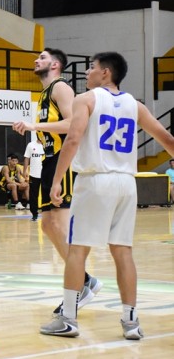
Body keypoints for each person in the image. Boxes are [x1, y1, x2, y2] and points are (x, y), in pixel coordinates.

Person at [40, 52, 174, 340]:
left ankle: (68, 319)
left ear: (106, 73)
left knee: (78, 250)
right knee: (123, 252)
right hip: (126, 183)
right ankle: (131, 322)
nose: (86, 72)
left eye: (92, 67)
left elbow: (73, 139)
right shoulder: (135, 105)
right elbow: (168, 140)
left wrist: (58, 179)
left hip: (95, 180)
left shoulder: (86, 99)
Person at [12, 48, 101, 312]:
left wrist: (34, 127)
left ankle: (78, 288)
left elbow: (74, 124)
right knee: (48, 225)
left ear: (56, 65)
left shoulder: (61, 88)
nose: (36, 60)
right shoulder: (44, 94)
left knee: (60, 225)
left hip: (66, 160)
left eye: (42, 57)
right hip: (50, 160)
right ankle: (85, 279)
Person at [23, 135, 45, 221]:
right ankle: (34, 214)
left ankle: (47, 212)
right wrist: (25, 171)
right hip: (34, 174)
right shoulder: (31, 145)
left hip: (45, 174)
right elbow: (27, 158)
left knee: (46, 194)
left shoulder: (48, 145)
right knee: (33, 195)